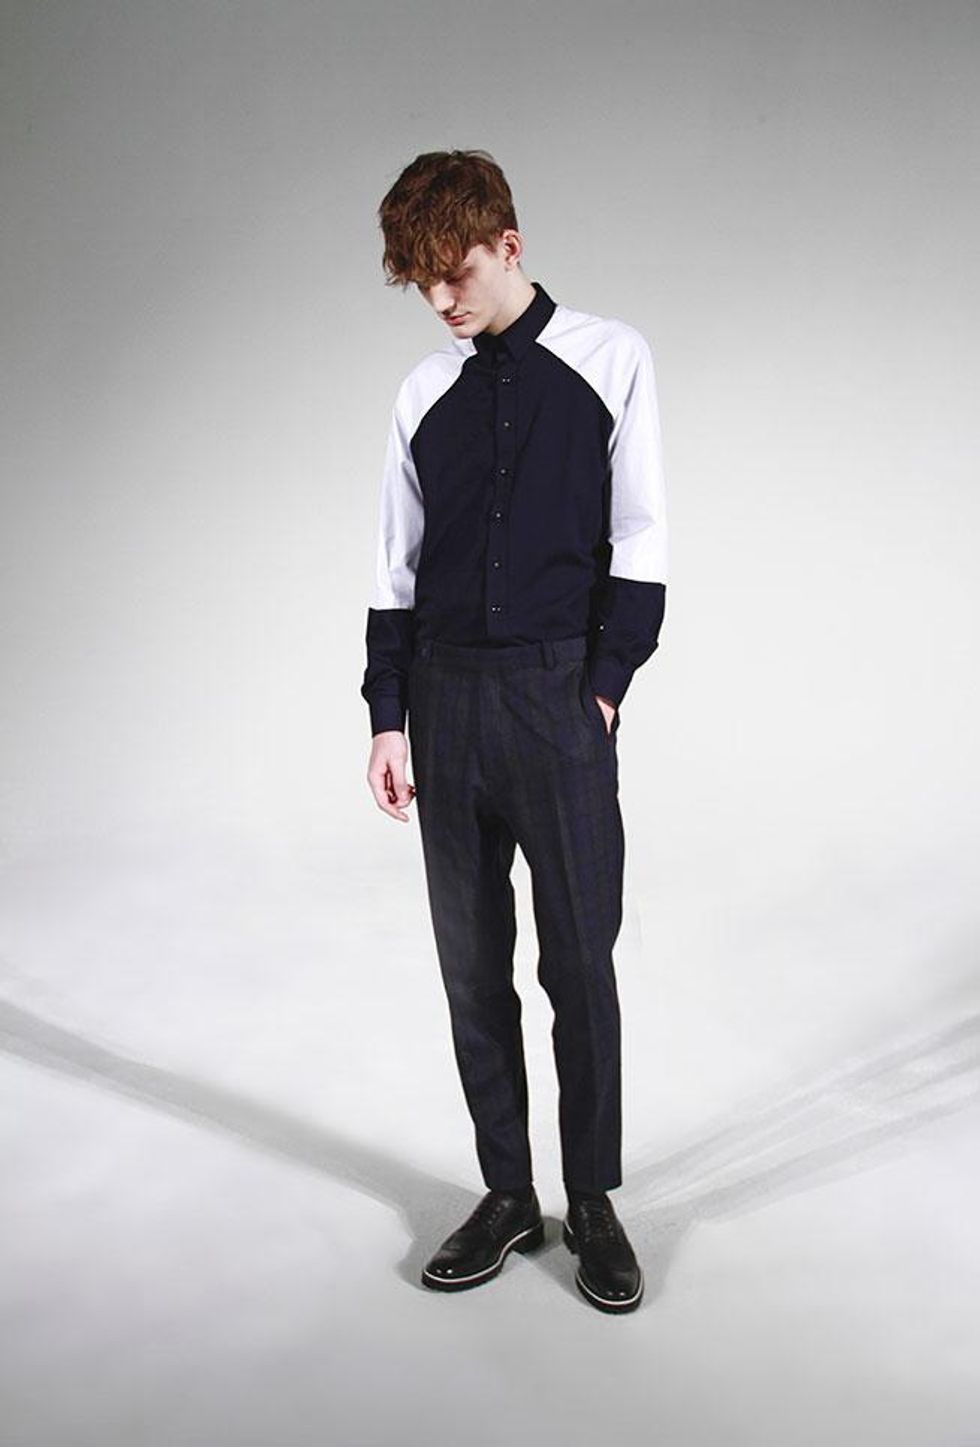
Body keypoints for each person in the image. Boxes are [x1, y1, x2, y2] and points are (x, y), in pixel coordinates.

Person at [360, 149, 667, 1313]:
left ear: (509, 245)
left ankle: (590, 1199)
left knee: (578, 963)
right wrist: (389, 717)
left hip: (555, 698)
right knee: (470, 968)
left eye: (457, 272)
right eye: (421, 283)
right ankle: (504, 1192)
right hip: (444, 701)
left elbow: (640, 533)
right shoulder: (420, 393)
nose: (441, 300)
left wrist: (603, 686)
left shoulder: (608, 357)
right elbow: (392, 565)